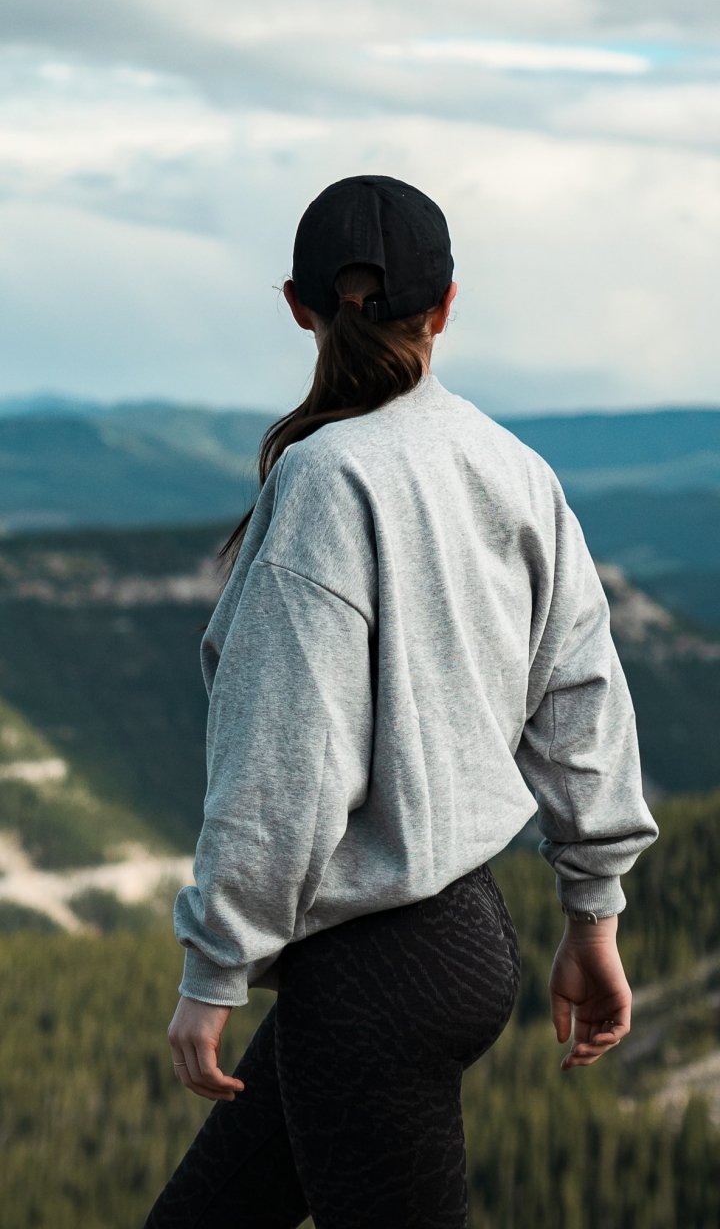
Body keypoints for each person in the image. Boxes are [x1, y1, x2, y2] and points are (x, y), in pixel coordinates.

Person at [143, 174, 660, 1229]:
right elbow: (581, 698)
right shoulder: (514, 468)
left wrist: (216, 966)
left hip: (368, 974)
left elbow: (286, 754)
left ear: (298, 306)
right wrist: (593, 912)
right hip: (457, 935)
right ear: (448, 305)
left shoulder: (324, 479)